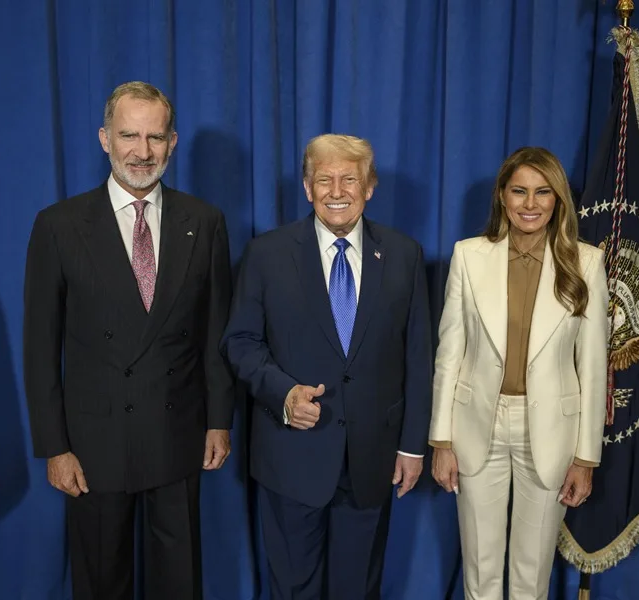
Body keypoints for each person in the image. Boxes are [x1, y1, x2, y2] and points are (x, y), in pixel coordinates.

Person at [22, 81, 234, 600]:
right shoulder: (59, 226)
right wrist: (55, 447)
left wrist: (218, 420)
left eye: (155, 138)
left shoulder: (204, 223)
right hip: (94, 445)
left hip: (178, 432)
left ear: (173, 142)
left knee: (178, 582)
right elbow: (39, 347)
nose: (142, 152)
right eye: (129, 136)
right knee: (100, 583)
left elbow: (215, 334)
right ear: (104, 139)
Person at [221, 134, 432, 599]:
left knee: (357, 591)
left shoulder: (403, 255)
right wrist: (283, 394)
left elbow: (418, 356)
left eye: (349, 179)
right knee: (292, 589)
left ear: (370, 187)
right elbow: (240, 341)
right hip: (290, 458)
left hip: (371, 460)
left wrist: (413, 447)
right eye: (324, 179)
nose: (337, 191)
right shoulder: (266, 255)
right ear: (306, 187)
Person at [429, 147, 609, 599]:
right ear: (502, 197)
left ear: (558, 199)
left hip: (551, 432)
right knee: (480, 569)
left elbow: (592, 367)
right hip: (477, 427)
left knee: (531, 575)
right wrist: (441, 440)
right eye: (519, 192)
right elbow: (449, 353)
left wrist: (586, 458)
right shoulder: (468, 256)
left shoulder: (586, 263)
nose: (530, 204)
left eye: (542, 192)